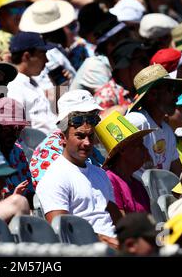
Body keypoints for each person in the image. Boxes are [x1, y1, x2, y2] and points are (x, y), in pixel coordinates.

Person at [36, 91, 121, 248]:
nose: (87, 143)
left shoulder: (100, 174)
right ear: (63, 138)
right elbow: (63, 230)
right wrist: (107, 242)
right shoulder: (54, 178)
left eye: (90, 136)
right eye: (80, 136)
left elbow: (117, 219)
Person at [126, 64, 182, 175]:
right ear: (152, 94)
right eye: (170, 90)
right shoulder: (137, 121)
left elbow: (180, 174)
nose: (176, 97)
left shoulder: (167, 131)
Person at [95, 111, 153, 215]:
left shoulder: (137, 184)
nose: (145, 149)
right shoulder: (110, 181)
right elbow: (122, 225)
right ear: (122, 150)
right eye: (139, 145)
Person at [7, 31, 56, 135]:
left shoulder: (32, 81)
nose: (47, 60)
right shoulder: (14, 87)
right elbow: (16, 131)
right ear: (27, 56)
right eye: (43, 54)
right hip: (38, 148)